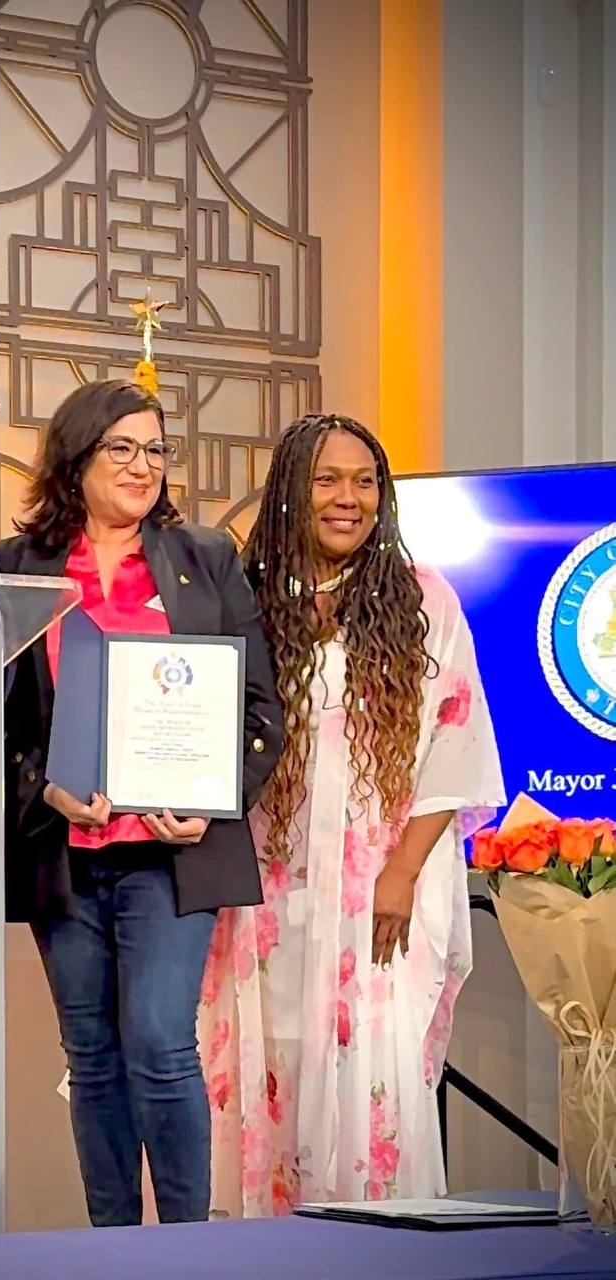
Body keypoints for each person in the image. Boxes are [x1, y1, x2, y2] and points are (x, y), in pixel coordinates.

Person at [0, 378, 284, 1228]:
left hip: (172, 852)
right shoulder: (15, 568)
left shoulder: (204, 558)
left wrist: (213, 801)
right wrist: (40, 786)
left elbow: (259, 709)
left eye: (155, 450)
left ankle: (187, 1248)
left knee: (160, 1044)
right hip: (64, 855)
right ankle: (110, 1246)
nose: (142, 465)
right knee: (91, 1057)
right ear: (75, 459)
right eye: (121, 448)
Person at [200, 414, 504, 1215]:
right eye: (326, 480)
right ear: (290, 491)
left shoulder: (420, 596)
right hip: (263, 881)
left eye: (364, 480)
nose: (348, 498)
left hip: (379, 881)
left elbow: (455, 741)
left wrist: (400, 873)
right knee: (274, 1055)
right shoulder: (248, 594)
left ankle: (370, 1249)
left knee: (367, 1062)